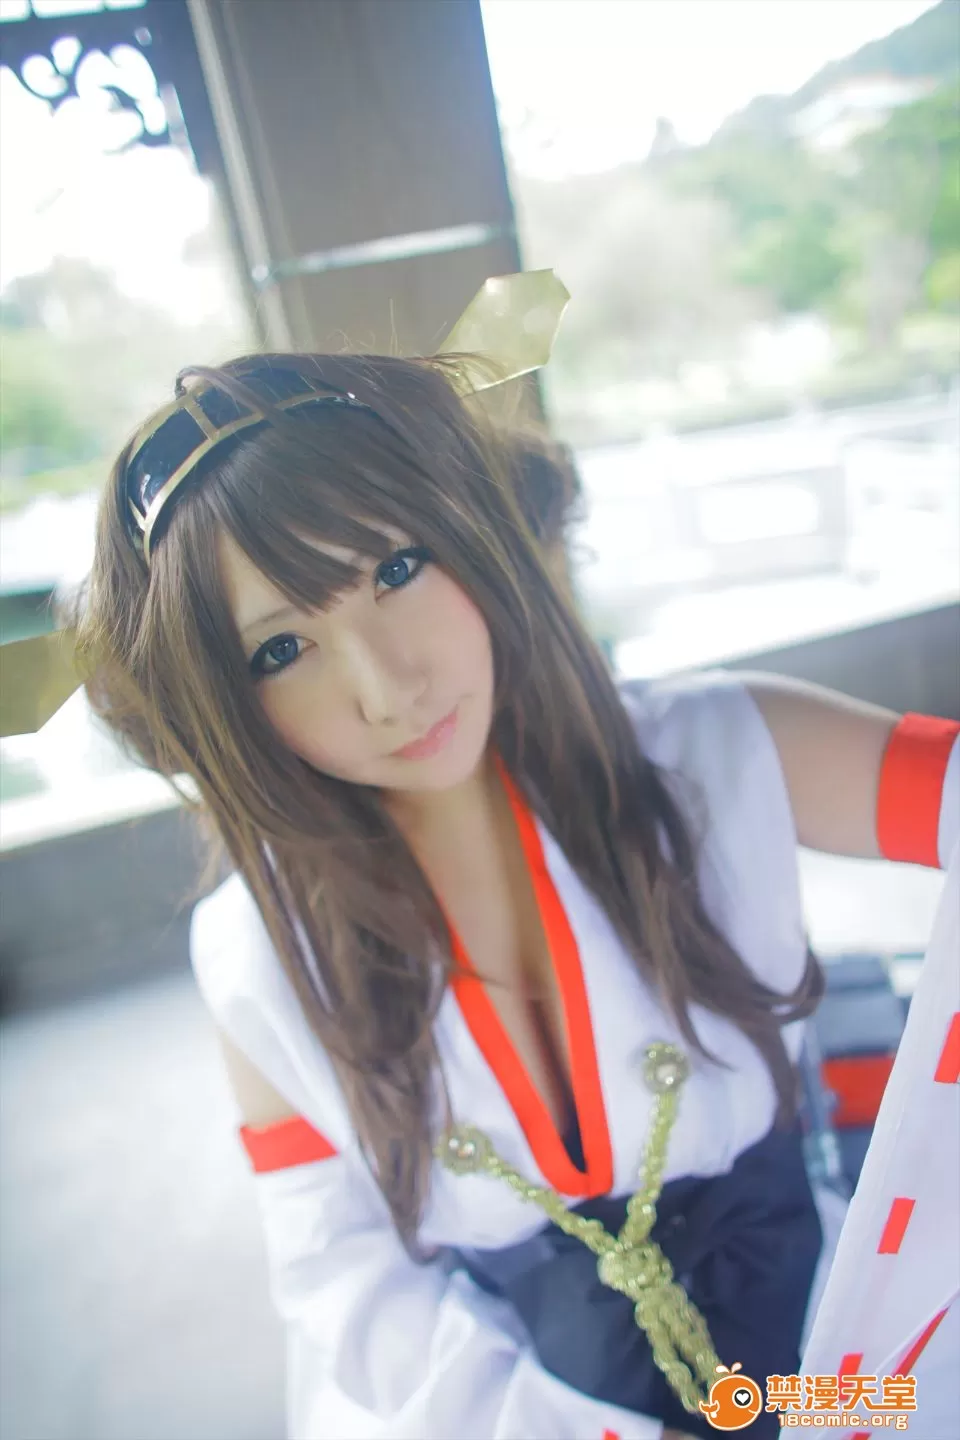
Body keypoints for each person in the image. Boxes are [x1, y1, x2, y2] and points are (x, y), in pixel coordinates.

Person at [80, 344, 958, 1440]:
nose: (387, 687)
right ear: (224, 706)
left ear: (472, 531)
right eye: (284, 648)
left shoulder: (720, 749)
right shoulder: (262, 954)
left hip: (838, 1372)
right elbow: (338, 1272)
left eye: (396, 569)